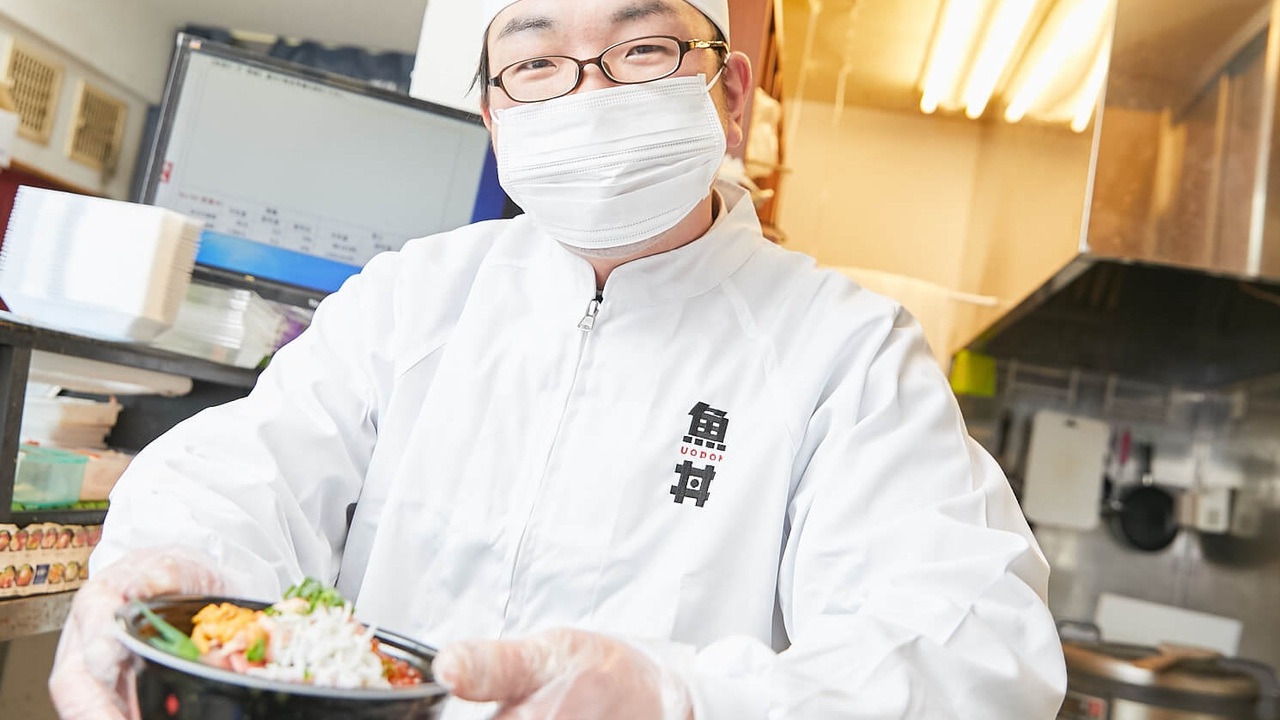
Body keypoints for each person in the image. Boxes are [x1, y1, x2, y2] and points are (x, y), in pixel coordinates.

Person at [49, 0, 1068, 717]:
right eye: (535, 62)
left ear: (730, 94)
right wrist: (160, 572)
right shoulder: (414, 296)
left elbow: (969, 647)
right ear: (494, 115)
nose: (586, 94)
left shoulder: (843, 351)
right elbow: (246, 475)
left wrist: (683, 700)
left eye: (640, 50)